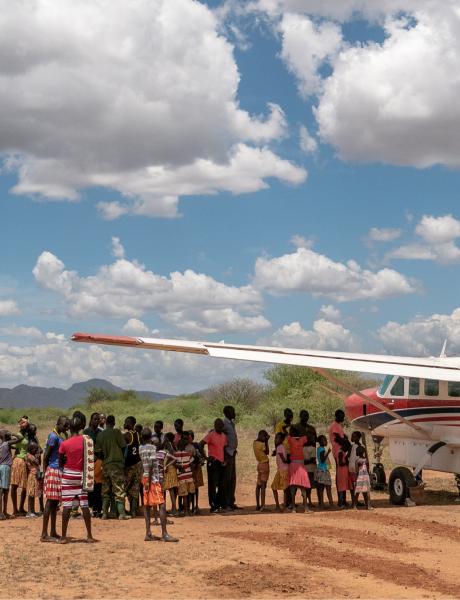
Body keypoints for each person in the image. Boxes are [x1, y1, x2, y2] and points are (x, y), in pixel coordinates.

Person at [58, 413, 96, 544]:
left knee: (67, 507)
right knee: (84, 506)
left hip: (68, 476)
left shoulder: (64, 444)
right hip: (81, 477)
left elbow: (60, 463)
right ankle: (89, 535)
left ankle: (63, 536)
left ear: (69, 428)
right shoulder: (86, 441)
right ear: (80, 427)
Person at [139, 427, 178, 543]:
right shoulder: (152, 448)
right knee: (161, 505)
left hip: (145, 478)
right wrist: (150, 481)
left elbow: (144, 465)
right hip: (153, 480)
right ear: (150, 437)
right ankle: (164, 534)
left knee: (146, 506)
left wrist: (145, 481)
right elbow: (151, 465)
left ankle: (148, 533)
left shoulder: (141, 448)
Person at [95, 414, 130, 520]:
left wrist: (104, 457)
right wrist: (123, 459)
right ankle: (122, 514)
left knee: (105, 490)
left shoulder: (100, 435)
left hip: (105, 466)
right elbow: (124, 446)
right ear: (114, 423)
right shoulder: (117, 432)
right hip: (117, 465)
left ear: (106, 423)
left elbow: (97, 452)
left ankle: (105, 514)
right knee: (119, 489)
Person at [41, 416, 69, 541]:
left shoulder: (59, 436)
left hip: (58, 470)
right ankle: (44, 534)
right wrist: (45, 473)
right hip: (52, 470)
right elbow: (46, 456)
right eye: (65, 425)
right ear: (58, 424)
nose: (66, 427)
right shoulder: (53, 436)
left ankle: (52, 531)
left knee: (55, 503)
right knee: (50, 502)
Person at [199, 418, 228, 514]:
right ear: (215, 425)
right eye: (218, 425)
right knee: (212, 485)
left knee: (222, 485)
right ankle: (213, 506)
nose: (220, 426)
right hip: (213, 463)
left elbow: (224, 448)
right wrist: (206, 457)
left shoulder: (224, 436)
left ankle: (219, 505)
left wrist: (225, 460)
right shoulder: (211, 435)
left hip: (221, 463)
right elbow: (200, 444)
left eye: (221, 425)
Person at [287, 425, 312, 513]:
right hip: (300, 465)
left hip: (294, 465)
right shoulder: (301, 439)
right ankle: (305, 508)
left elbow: (286, 433)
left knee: (294, 488)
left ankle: (295, 508)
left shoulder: (290, 439)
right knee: (302, 488)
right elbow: (306, 436)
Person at [0, 429, 23, 520]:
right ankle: (2, 512)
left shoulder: (2, 445)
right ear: (6, 436)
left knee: (3, 490)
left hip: (1, 467)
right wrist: (12, 433)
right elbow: (20, 438)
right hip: (5, 468)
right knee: (3, 491)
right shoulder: (7, 443)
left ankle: (3, 512)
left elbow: (15, 447)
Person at [83, 413, 103, 518]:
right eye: (95, 419)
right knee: (89, 486)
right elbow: (84, 446)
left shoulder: (100, 432)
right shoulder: (86, 432)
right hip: (88, 461)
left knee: (98, 486)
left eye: (98, 419)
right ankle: (91, 508)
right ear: (91, 420)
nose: (97, 421)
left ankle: (97, 508)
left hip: (98, 461)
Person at [10, 416, 30, 516]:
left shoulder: (27, 435)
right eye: (23, 424)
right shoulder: (18, 435)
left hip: (24, 461)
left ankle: (21, 507)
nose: (25, 425)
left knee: (25, 486)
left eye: (26, 424)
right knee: (14, 485)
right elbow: (16, 448)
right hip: (18, 461)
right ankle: (15, 509)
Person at [124, 416, 142, 517]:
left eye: (126, 422)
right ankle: (133, 511)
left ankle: (120, 510)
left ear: (131, 424)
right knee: (135, 489)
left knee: (124, 487)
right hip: (138, 464)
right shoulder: (138, 434)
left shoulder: (127, 435)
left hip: (130, 465)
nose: (124, 423)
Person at [222, 405, 238, 510]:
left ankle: (231, 501)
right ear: (227, 413)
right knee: (227, 479)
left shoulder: (231, 423)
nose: (234, 413)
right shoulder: (224, 424)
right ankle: (226, 503)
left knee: (232, 478)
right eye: (232, 411)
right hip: (227, 453)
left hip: (232, 453)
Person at [175, 435, 195, 516]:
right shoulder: (188, 454)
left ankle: (185, 511)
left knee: (184, 495)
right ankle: (188, 510)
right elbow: (192, 464)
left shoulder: (175, 455)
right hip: (189, 476)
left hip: (181, 477)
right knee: (190, 493)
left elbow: (174, 463)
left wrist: (179, 467)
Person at [271, 432, 289, 511]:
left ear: (282, 439)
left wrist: (286, 460)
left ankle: (280, 506)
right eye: (275, 438)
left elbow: (283, 459)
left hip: (283, 470)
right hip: (282, 469)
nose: (276, 440)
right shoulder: (281, 447)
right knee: (283, 489)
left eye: (278, 438)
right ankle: (283, 506)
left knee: (277, 488)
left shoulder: (280, 447)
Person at [162, 432, 179, 515]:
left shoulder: (168, 445)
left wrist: (165, 465)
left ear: (167, 438)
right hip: (172, 469)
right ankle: (173, 508)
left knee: (167, 489)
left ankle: (169, 509)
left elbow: (169, 457)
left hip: (168, 470)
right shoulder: (173, 446)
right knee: (172, 489)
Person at [315, 435, 334, 509]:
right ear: (320, 442)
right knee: (328, 488)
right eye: (324, 440)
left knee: (321, 489)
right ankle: (331, 504)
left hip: (320, 469)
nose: (326, 441)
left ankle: (321, 504)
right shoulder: (322, 449)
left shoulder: (319, 448)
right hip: (324, 470)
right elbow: (323, 460)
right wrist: (328, 452)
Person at [253, 430, 270, 511]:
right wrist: (266, 441)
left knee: (258, 485)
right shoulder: (262, 444)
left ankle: (257, 505)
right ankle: (263, 506)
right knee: (263, 486)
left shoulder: (255, 443)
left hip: (259, 464)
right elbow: (267, 452)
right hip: (265, 464)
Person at [25, 441, 43, 517]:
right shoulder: (28, 455)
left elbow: (39, 463)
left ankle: (32, 511)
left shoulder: (32, 455)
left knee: (33, 494)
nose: (36, 450)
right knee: (31, 494)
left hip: (35, 475)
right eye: (35, 449)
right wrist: (38, 454)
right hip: (32, 476)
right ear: (31, 449)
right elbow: (36, 462)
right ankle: (29, 512)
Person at [189, 430, 204, 514]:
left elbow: (200, 456)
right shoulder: (187, 445)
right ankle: (192, 505)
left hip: (196, 468)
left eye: (189, 437)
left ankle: (196, 505)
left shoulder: (195, 445)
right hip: (190, 469)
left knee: (196, 487)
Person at [336, 439, 351, 508]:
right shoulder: (340, 453)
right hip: (342, 471)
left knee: (343, 487)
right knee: (342, 487)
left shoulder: (342, 452)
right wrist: (347, 462)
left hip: (343, 471)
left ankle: (343, 502)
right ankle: (341, 503)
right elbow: (340, 463)